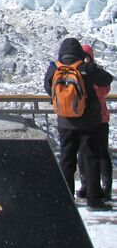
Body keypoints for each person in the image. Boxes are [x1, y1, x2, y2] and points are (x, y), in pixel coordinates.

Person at [44, 37, 113, 211]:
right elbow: (106, 79)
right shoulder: (85, 68)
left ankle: (66, 198)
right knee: (91, 159)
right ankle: (94, 200)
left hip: (65, 122)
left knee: (67, 159)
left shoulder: (54, 68)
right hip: (88, 123)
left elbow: (47, 86)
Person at [77, 43, 113, 202]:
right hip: (94, 118)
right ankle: (92, 186)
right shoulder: (90, 71)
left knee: (95, 152)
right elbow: (105, 89)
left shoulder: (86, 71)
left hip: (93, 119)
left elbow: (104, 89)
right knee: (89, 152)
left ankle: (99, 186)